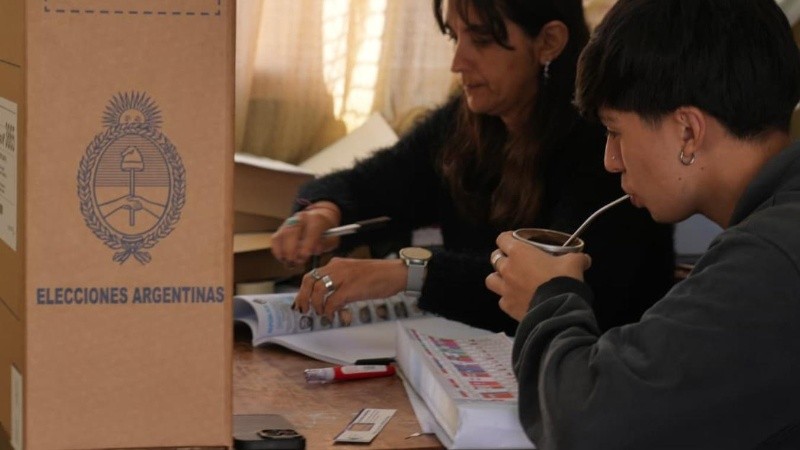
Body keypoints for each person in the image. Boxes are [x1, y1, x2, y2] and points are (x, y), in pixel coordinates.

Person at [486, 0, 800, 447]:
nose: (610, 161)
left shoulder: (772, 258)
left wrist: (547, 299)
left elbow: (590, 422)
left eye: (614, 131)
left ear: (688, 132)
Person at [272, 0, 675, 335]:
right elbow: (369, 184)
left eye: (481, 40)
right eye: (454, 36)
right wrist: (325, 210)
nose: (458, 62)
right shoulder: (464, 124)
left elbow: (547, 288)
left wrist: (407, 272)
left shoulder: (606, 146)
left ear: (549, 42)